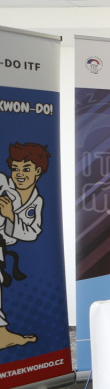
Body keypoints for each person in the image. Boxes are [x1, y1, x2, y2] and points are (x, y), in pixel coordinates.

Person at [0, 143, 48, 349]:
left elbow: (32, 232)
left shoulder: (36, 201)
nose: (20, 174)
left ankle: (2, 333)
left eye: (26, 169)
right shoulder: (2, 185)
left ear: (38, 171)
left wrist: (11, 216)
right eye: (16, 169)